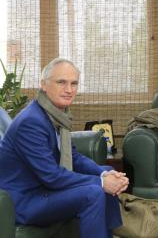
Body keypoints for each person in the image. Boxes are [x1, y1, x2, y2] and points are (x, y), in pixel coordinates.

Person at [0, 58, 128, 238]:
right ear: (43, 85)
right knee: (93, 192)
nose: (69, 90)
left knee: (105, 172)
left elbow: (73, 157)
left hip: (43, 189)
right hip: (24, 200)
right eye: (61, 82)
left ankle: (108, 233)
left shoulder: (57, 115)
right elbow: (52, 177)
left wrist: (104, 174)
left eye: (74, 83)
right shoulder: (31, 122)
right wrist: (101, 182)